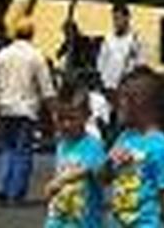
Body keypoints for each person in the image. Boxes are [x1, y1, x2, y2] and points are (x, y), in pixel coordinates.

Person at [104, 67, 164, 227]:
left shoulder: (160, 148)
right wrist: (109, 162)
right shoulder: (124, 137)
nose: (118, 105)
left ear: (139, 102)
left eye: (123, 99)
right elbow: (103, 178)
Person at [0, 16, 55, 205]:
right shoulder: (36, 55)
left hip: (5, 107)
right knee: (23, 151)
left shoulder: (3, 54)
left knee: (7, 149)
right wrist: (53, 110)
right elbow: (46, 87)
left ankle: (1, 185)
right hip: (26, 108)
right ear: (32, 34)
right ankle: (16, 192)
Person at [45, 83, 107, 228]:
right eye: (61, 119)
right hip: (60, 216)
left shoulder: (93, 144)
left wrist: (60, 181)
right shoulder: (62, 144)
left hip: (84, 220)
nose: (66, 124)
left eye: (72, 119)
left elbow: (88, 168)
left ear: (87, 116)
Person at [97, 4, 144, 102]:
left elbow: (139, 64)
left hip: (126, 90)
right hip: (108, 87)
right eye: (114, 19)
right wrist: (103, 81)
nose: (116, 22)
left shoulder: (135, 40)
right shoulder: (108, 39)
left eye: (118, 18)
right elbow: (101, 62)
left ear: (127, 18)